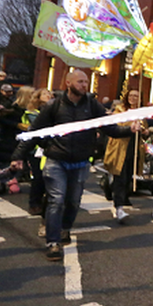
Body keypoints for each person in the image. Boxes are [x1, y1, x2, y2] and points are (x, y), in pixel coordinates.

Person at [11, 71, 139, 261]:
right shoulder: (53, 106)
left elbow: (108, 127)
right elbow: (35, 131)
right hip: (56, 160)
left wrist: (129, 130)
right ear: (68, 82)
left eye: (86, 82)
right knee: (57, 199)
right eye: (80, 81)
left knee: (73, 201)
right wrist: (18, 155)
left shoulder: (92, 105)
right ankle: (53, 242)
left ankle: (64, 229)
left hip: (80, 162)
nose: (84, 84)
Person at [104, 89, 144, 223]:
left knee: (128, 178)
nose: (133, 98)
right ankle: (119, 207)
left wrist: (143, 128)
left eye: (136, 96)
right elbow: (117, 125)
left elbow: (144, 128)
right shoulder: (120, 109)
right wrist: (131, 123)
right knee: (119, 179)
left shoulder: (141, 112)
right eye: (131, 95)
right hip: (120, 148)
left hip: (134, 148)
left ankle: (120, 201)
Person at [24, 88, 54, 222]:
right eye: (44, 94)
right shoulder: (33, 113)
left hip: (50, 148)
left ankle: (45, 201)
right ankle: (34, 203)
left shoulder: (55, 110)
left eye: (49, 94)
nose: (48, 95)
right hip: (35, 149)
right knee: (38, 177)